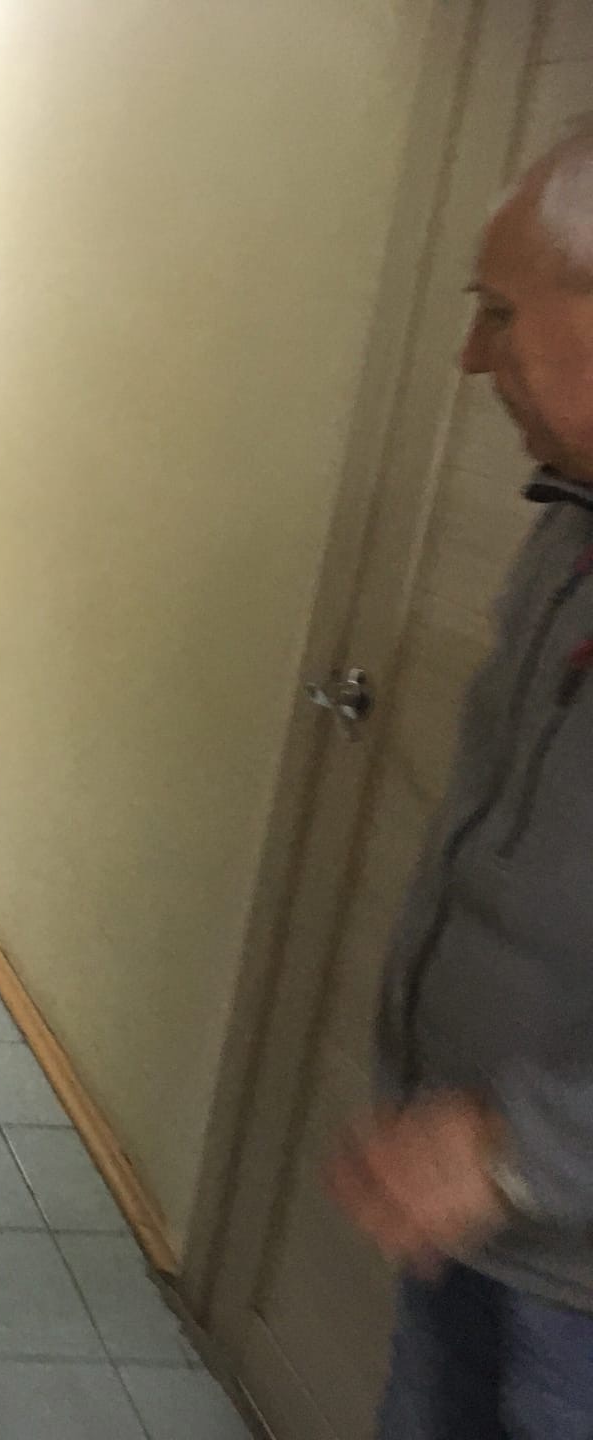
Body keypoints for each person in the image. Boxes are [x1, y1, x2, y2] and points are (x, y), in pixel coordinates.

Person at [326, 127, 593, 1438]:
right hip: (487, 1231)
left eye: (499, 312)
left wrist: (516, 1148)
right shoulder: (569, 523)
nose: (471, 359)